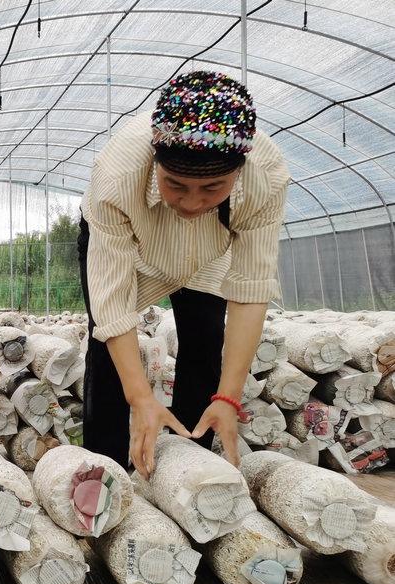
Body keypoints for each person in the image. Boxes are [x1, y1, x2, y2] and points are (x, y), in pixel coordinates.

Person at [78, 71, 289, 480]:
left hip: (211, 247)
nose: (192, 202)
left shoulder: (266, 176)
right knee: (106, 350)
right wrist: (141, 397)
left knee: (205, 339)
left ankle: (188, 470)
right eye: (175, 184)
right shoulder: (118, 175)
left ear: (239, 171)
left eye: (213, 187)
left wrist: (228, 397)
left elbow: (250, 289)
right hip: (134, 242)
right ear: (156, 161)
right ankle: (105, 473)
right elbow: (115, 308)